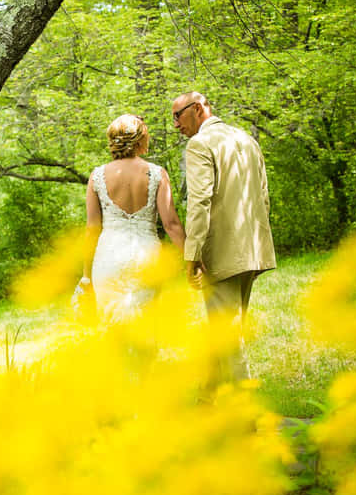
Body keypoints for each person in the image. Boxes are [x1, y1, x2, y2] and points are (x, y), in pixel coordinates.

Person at [171, 92, 276, 379]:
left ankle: (244, 417)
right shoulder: (246, 139)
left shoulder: (199, 144)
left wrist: (192, 254)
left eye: (177, 116)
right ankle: (208, 405)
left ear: (198, 109)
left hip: (222, 255)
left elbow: (200, 202)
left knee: (227, 338)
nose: (175, 125)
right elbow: (264, 198)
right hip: (253, 249)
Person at [79, 114, 185, 323]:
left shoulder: (97, 176)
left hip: (108, 258)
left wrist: (86, 275)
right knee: (146, 325)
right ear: (139, 140)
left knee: (112, 329)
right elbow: (171, 224)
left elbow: (92, 229)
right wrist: (192, 258)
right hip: (146, 258)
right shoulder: (157, 174)